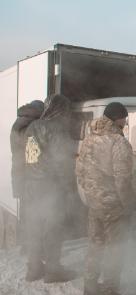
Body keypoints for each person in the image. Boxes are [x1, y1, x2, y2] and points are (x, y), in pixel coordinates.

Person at [76, 102, 136, 295]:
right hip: (113, 206)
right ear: (117, 118)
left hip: (94, 203)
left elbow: (80, 172)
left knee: (95, 244)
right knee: (114, 249)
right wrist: (128, 204)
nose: (126, 122)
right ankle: (110, 289)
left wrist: (90, 194)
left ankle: (90, 287)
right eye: (124, 118)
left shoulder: (89, 139)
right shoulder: (119, 143)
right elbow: (122, 179)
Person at [24, 94, 77, 282]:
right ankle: (53, 271)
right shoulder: (57, 129)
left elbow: (29, 158)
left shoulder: (32, 127)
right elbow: (62, 162)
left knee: (34, 227)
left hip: (31, 185)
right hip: (51, 186)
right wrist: (69, 187)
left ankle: (34, 269)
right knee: (53, 228)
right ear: (60, 110)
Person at [10, 100, 44, 252]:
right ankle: (31, 247)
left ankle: (26, 244)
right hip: (29, 175)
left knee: (25, 210)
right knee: (33, 211)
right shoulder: (31, 127)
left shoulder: (18, 123)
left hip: (19, 173)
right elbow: (32, 155)